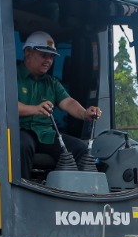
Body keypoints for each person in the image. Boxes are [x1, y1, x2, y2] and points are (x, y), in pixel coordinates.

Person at [17, 31, 101, 180]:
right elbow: (5, 106)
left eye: (51, 57)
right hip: (17, 130)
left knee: (81, 149)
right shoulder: (11, 75)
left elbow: (68, 102)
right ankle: (19, 193)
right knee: (21, 145)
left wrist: (84, 113)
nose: (48, 61)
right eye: (43, 55)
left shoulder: (52, 83)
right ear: (28, 53)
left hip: (44, 134)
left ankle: (75, 195)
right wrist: (35, 109)